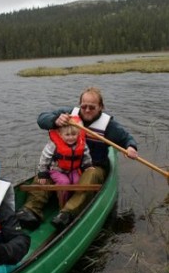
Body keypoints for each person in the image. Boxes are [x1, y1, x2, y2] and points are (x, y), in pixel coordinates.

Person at [17, 87, 138, 230]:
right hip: (65, 166)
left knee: (91, 174)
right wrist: (55, 120)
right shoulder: (68, 115)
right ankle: (31, 210)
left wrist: (131, 147)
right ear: (80, 104)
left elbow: (127, 138)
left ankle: (67, 213)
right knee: (47, 172)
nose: (86, 110)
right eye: (84, 106)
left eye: (92, 107)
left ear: (101, 107)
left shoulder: (108, 125)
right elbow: (41, 119)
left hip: (92, 165)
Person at [37, 115, 94, 208]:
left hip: (73, 169)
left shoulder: (81, 143)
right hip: (57, 169)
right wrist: (42, 173)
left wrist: (87, 165)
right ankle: (63, 205)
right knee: (64, 183)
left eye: (73, 134)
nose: (71, 137)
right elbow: (45, 157)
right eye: (67, 135)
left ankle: (75, 204)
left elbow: (86, 156)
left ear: (78, 133)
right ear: (60, 134)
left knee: (77, 182)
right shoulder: (53, 144)